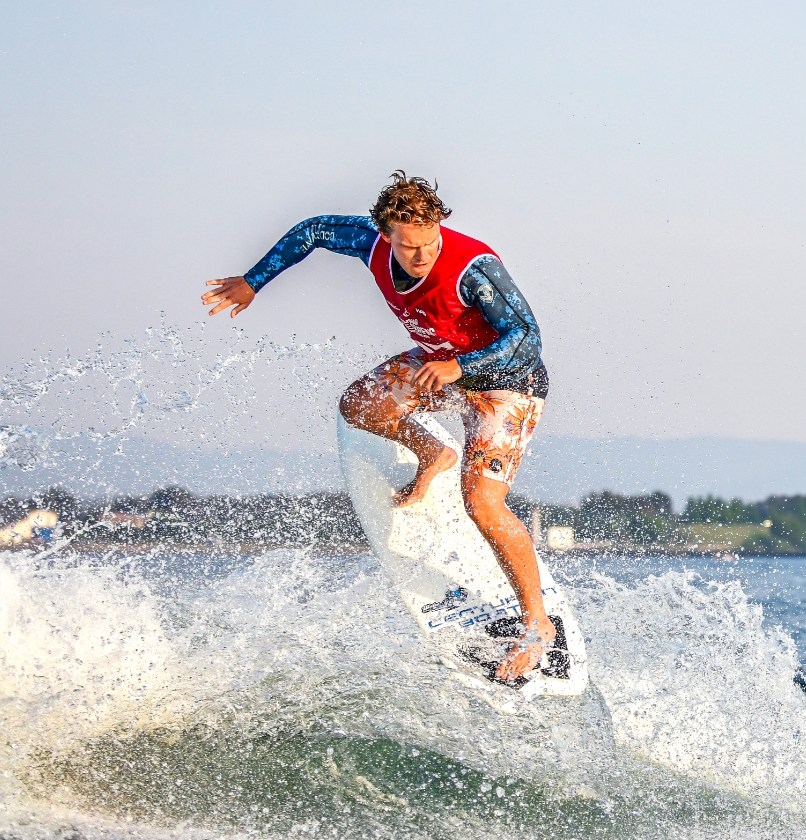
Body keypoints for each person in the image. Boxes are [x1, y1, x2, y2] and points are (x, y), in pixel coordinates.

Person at [202, 172, 555, 684]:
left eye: (429, 241)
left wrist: (459, 367)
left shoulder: (473, 268)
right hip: (440, 366)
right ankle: (433, 451)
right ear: (386, 234)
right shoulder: (370, 243)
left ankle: (537, 623)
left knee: (481, 502)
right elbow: (314, 230)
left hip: (507, 384)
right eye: (408, 246)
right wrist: (255, 280)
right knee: (359, 404)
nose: (421, 256)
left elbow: (527, 337)